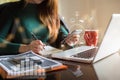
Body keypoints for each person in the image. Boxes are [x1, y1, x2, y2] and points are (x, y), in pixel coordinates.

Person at [0, 0, 80, 56]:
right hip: (21, 68)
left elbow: (63, 38)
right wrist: (26, 48)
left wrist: (70, 41)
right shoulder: (11, 10)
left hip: (52, 67)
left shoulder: (51, 11)